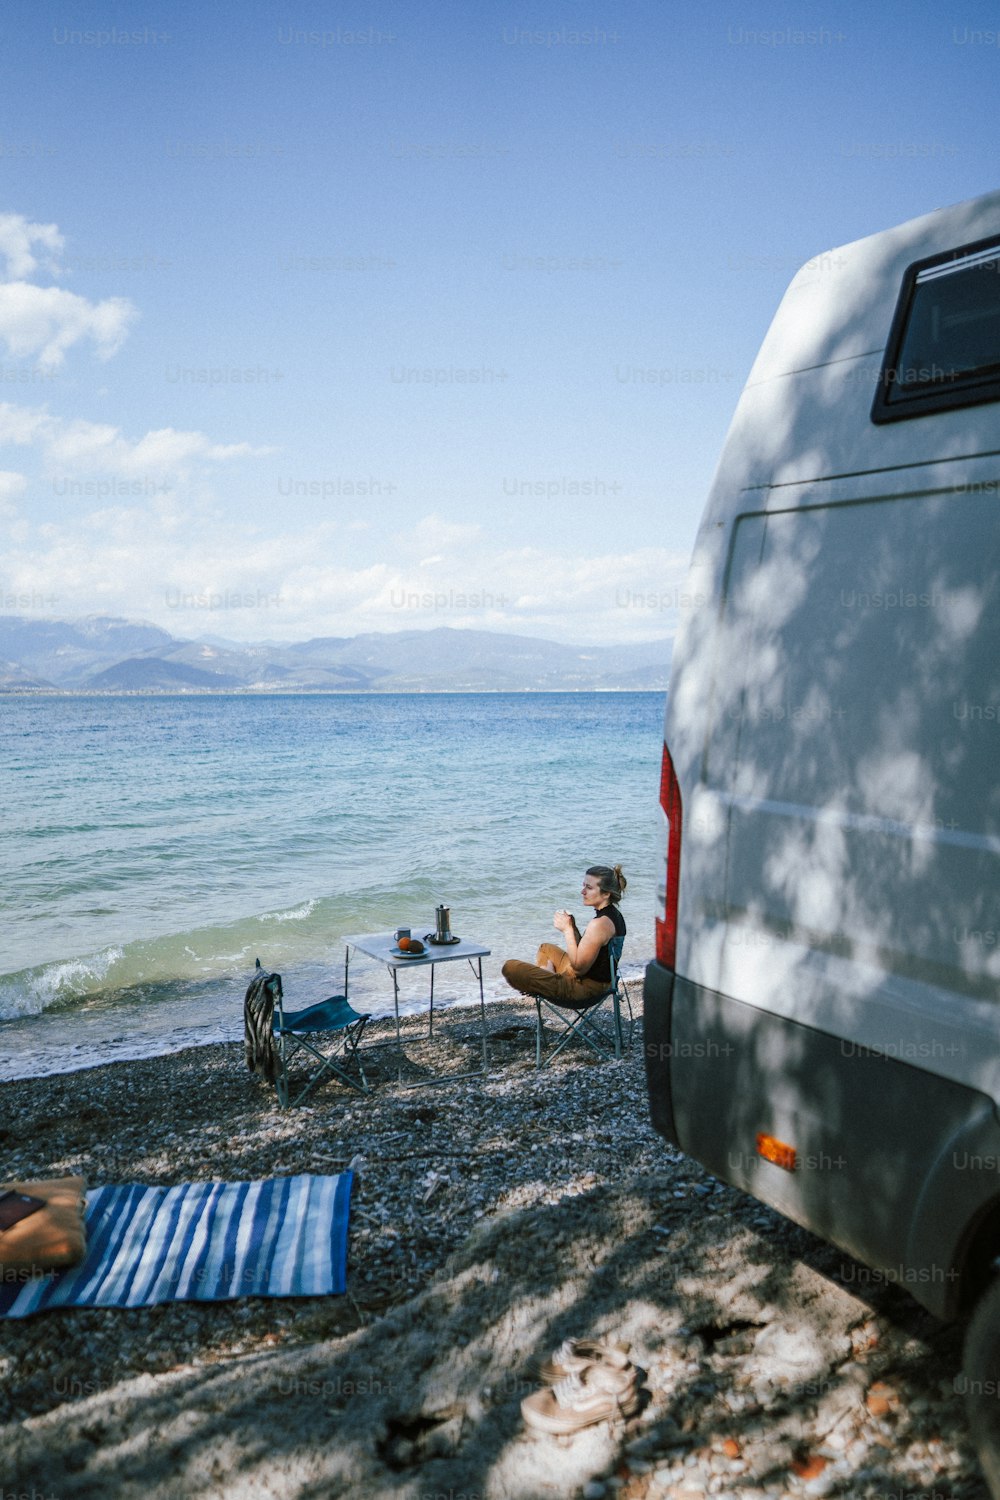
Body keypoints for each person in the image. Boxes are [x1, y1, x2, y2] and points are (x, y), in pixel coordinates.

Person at [501, 864, 626, 1009]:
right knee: (546, 948)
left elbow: (579, 968)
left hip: (585, 991)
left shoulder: (599, 924)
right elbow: (587, 953)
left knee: (509, 968)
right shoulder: (613, 915)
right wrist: (573, 928)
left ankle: (549, 982)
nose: (582, 891)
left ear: (606, 894)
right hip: (597, 981)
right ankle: (550, 979)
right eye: (583, 886)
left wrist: (567, 931)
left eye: (589, 888)